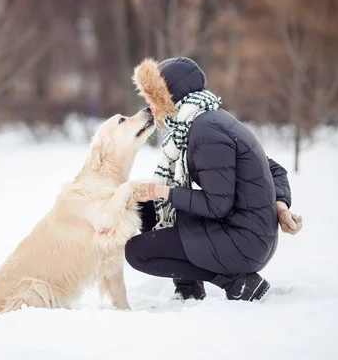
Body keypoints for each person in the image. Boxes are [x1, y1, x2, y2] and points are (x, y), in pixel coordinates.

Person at [125, 57, 303, 302]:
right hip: (243, 230)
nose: (151, 108)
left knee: (137, 252)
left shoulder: (206, 132)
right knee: (148, 207)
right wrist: (280, 205)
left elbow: (217, 205)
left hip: (244, 242)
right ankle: (189, 287)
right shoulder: (205, 121)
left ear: (173, 98)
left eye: (155, 100)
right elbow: (274, 169)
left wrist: (163, 192)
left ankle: (236, 281)